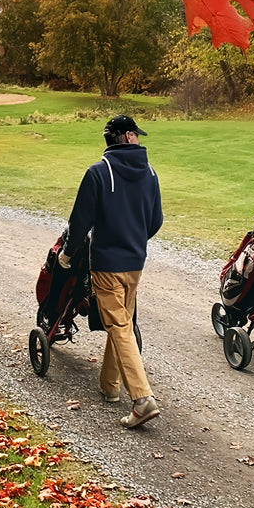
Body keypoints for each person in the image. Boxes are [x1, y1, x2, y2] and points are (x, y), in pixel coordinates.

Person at [60, 115, 163, 428]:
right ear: (128, 137)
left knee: (119, 325)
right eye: (137, 135)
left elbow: (79, 223)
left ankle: (142, 398)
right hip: (135, 263)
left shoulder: (97, 173)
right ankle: (110, 387)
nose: (140, 140)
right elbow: (155, 221)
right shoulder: (150, 172)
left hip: (106, 264)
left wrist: (66, 254)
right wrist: (133, 238)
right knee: (121, 321)